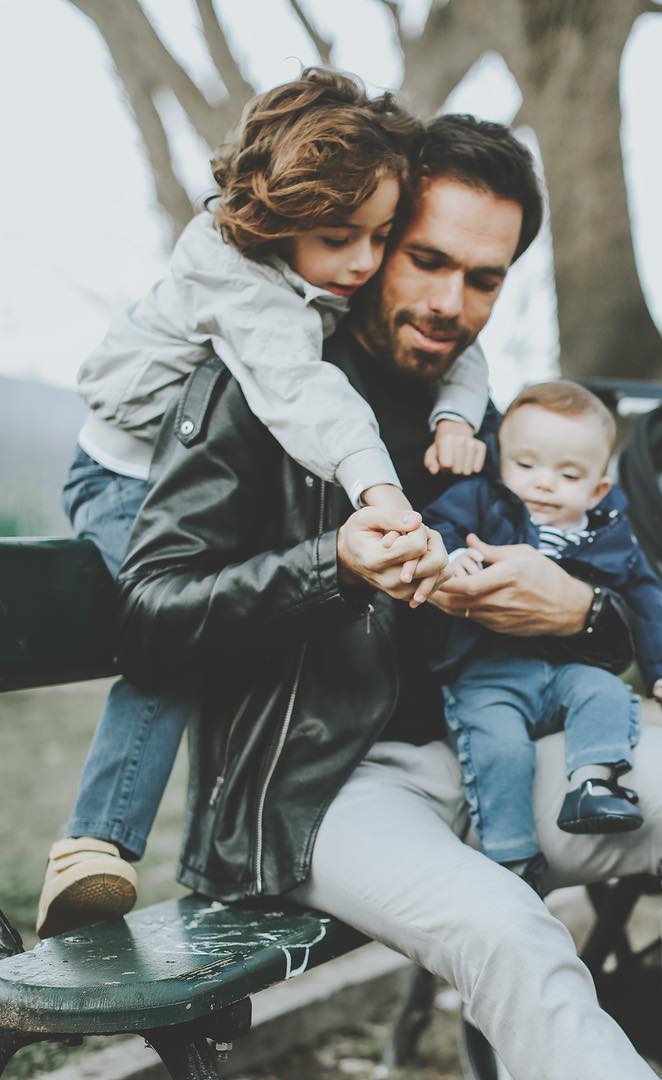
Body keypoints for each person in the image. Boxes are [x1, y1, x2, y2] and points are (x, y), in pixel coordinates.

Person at [114, 114, 662, 1079]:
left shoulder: (489, 418)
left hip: (489, 754)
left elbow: (618, 592)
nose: (449, 301)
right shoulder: (254, 387)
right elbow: (149, 617)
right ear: (378, 233)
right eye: (427, 258)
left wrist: (577, 612)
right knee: (516, 932)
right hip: (324, 796)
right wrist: (332, 564)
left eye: (484, 278)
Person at [36, 69, 487, 939]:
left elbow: (466, 343)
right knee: (169, 629)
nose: (363, 261)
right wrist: (381, 490)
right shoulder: (236, 279)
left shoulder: (328, 271)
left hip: (209, 487)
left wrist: (459, 408)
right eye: (339, 237)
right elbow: (300, 392)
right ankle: (94, 846)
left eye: (381, 236)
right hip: (127, 479)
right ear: (279, 220)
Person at [424, 379, 662, 883]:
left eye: (568, 474)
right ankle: (511, 854)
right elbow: (436, 521)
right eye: (526, 466)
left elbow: (649, 598)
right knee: (499, 747)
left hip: (568, 668)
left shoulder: (610, 534)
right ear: (501, 460)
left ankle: (594, 782)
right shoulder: (482, 500)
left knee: (606, 694)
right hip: (488, 672)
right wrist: (452, 554)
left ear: (598, 488)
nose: (543, 483)